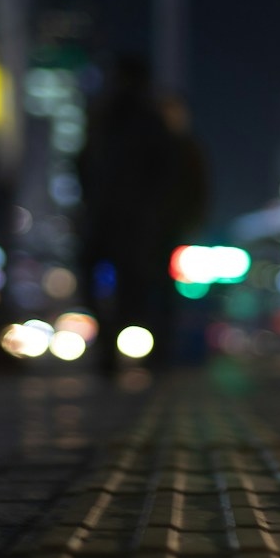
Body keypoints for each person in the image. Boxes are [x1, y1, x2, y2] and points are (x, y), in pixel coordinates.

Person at [77, 56, 181, 373]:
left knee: (111, 280)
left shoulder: (107, 116)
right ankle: (115, 343)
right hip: (127, 218)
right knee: (130, 284)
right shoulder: (143, 120)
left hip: (114, 215)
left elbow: (81, 162)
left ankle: (113, 345)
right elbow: (165, 173)